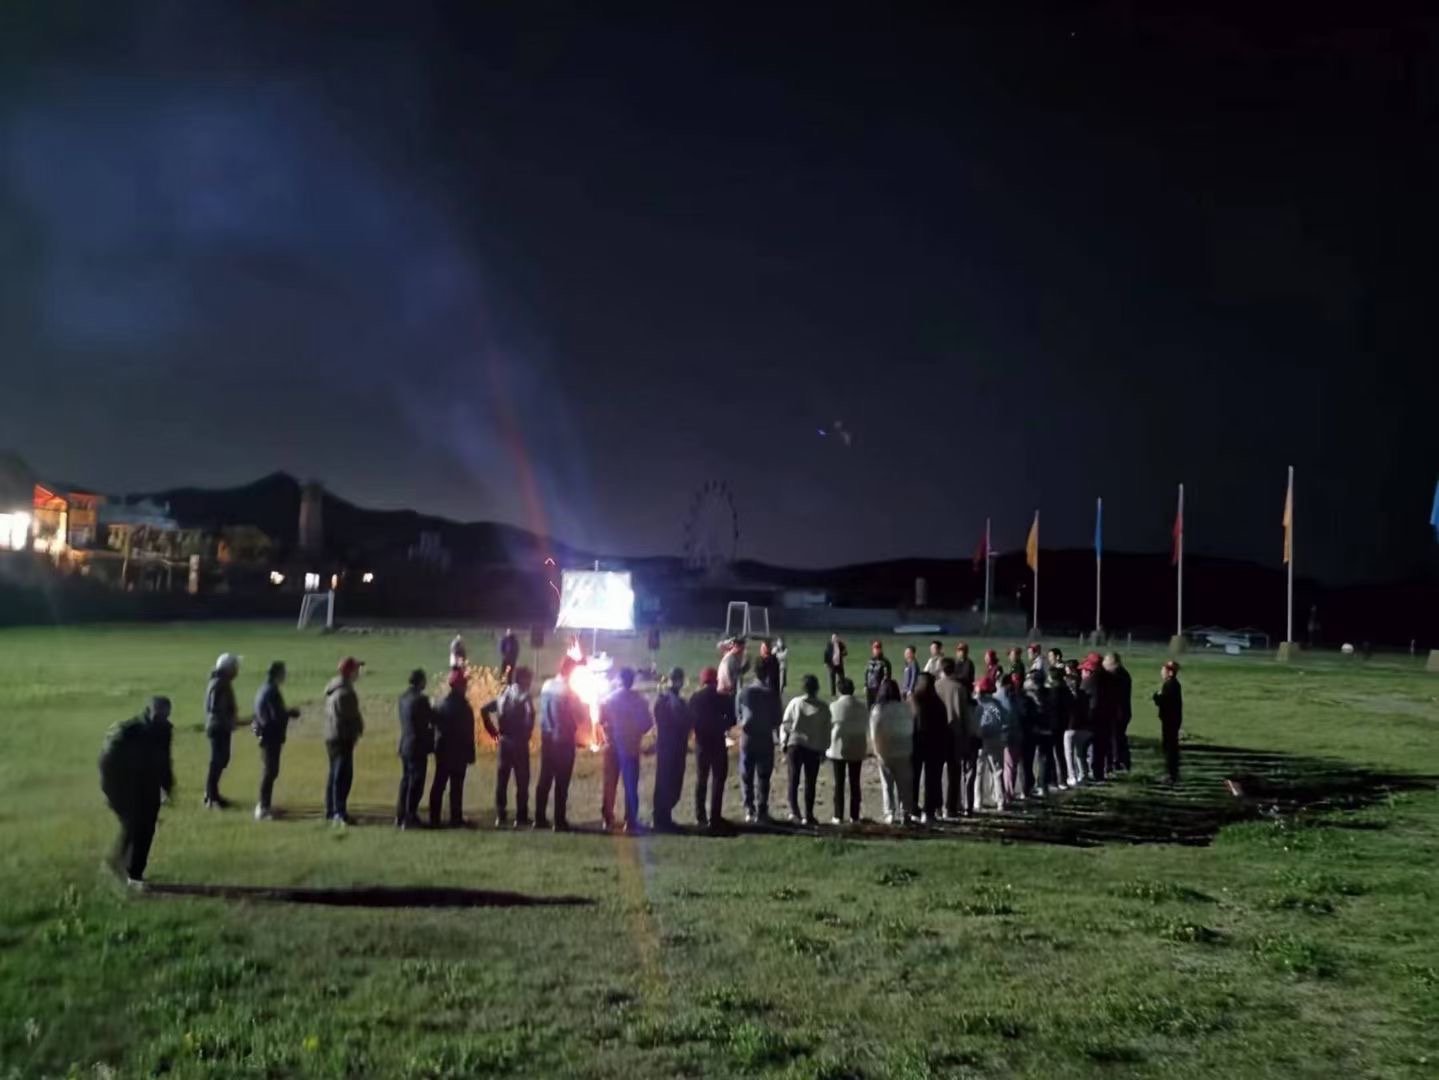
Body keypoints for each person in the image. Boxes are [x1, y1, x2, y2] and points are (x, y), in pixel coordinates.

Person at [99, 696, 175, 890]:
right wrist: (110, 791)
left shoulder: (165, 730)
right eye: (159, 713)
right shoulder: (127, 732)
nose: (162, 718)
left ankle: (129, 871)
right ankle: (127, 871)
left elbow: (165, 760)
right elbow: (107, 762)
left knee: (144, 829)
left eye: (166, 714)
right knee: (135, 825)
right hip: (124, 787)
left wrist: (167, 786)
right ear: (149, 711)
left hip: (148, 786)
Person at [600, 667, 653, 833]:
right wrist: (635, 732)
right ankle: (630, 821)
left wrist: (610, 732)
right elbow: (647, 724)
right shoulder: (640, 701)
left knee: (610, 784)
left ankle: (607, 819)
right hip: (630, 748)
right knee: (630, 785)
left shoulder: (609, 700)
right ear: (632, 681)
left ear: (619, 680)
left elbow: (601, 720)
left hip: (612, 747)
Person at [481, 666, 535, 827]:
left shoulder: (504, 696)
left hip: (504, 743)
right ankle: (521, 816)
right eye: (528, 679)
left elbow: (484, 710)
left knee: (502, 780)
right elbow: (530, 715)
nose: (530, 683)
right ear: (523, 680)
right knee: (522, 780)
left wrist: (493, 733)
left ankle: (501, 815)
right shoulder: (525, 697)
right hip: (519, 743)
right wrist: (527, 734)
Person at [536, 657, 583, 830]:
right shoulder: (568, 691)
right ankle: (559, 821)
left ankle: (539, 818)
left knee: (544, 778)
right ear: (571, 671)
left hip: (546, 737)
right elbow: (580, 716)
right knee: (562, 781)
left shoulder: (546, 685)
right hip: (563, 740)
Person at [252, 661, 300, 821]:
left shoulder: (264, 688)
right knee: (270, 771)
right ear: (277, 674)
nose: (285, 676)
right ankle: (263, 807)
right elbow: (276, 716)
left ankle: (265, 805)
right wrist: (291, 713)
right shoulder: (272, 691)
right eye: (283, 673)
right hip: (270, 736)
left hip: (266, 734)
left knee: (270, 771)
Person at [780, 674, 830, 825]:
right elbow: (826, 730)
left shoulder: (796, 703)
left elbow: (786, 723)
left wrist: (784, 743)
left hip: (795, 744)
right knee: (810, 782)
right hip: (814, 747)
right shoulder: (823, 707)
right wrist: (824, 749)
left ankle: (794, 811)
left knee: (793, 779)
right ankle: (809, 814)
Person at [690, 666, 735, 830]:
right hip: (718, 742)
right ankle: (715, 816)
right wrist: (722, 726)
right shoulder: (723, 697)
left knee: (701, 779)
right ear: (716, 680)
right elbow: (732, 719)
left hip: (702, 743)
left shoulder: (695, 697)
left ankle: (700, 815)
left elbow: (690, 719)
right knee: (718, 779)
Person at [430, 667, 474, 828]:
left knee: (439, 784)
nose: (466, 687)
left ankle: (434, 818)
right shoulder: (465, 707)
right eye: (464, 684)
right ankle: (456, 818)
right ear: (459, 686)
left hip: (442, 751)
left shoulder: (441, 704)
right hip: (459, 752)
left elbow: (433, 726)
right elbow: (468, 732)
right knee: (456, 787)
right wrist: (471, 754)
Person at [323, 657, 365, 826]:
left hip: (332, 736)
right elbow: (351, 717)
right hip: (342, 738)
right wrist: (358, 730)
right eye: (356, 669)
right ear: (350, 672)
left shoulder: (334, 688)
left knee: (334, 774)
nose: (359, 672)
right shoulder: (346, 692)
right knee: (342, 776)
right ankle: (339, 813)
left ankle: (331, 810)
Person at [737, 670, 782, 824]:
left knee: (746, 774)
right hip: (765, 738)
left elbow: (738, 713)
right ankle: (762, 809)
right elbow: (777, 720)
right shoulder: (771, 694)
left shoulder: (744, 692)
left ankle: (749, 809)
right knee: (764, 776)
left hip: (748, 737)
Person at [869, 678, 915, 825]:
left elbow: (874, 732)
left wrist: (876, 750)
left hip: (885, 751)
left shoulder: (877, 710)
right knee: (904, 784)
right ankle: (905, 811)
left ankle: (890, 812)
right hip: (903, 749)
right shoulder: (905, 708)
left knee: (887, 784)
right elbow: (911, 727)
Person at [652, 667, 692, 831]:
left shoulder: (679, 702)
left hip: (677, 747)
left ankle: (665, 816)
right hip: (668, 747)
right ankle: (661, 818)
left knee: (674, 783)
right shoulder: (664, 701)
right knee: (665, 782)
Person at [826, 677, 868, 824]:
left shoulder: (834, 706)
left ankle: (838, 815)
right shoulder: (862, 707)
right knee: (855, 783)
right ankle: (854, 815)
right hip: (857, 747)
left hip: (839, 748)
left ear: (839, 690)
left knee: (839, 783)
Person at [396, 669, 434, 828]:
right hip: (417, 746)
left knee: (406, 781)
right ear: (420, 681)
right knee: (416, 783)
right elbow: (431, 718)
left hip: (405, 744)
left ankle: (400, 815)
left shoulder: (402, 698)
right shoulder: (421, 700)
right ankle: (410, 816)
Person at [932, 657, 970, 818]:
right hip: (955, 734)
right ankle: (951, 807)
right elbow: (965, 716)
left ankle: (937, 806)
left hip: (938, 734)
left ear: (941, 669)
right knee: (954, 773)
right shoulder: (959, 688)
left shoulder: (935, 687)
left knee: (936, 772)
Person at [910, 672, 949, 822]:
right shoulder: (938, 704)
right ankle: (929, 811)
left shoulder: (913, 701)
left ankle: (913, 810)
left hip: (915, 744)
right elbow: (944, 728)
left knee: (913, 778)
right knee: (932, 779)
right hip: (934, 745)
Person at [203, 653, 240, 808]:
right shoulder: (219, 683)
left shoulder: (221, 681)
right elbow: (216, 707)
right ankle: (211, 797)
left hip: (220, 726)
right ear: (228, 668)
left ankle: (212, 794)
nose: (237, 670)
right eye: (235, 667)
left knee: (221, 760)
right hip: (218, 727)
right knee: (217, 761)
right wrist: (228, 719)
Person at [1023, 671, 1061, 796]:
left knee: (1029, 759)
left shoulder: (1029, 695)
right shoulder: (1049, 693)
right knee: (1044, 758)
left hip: (1033, 730)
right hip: (1047, 728)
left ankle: (1030, 785)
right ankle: (1043, 785)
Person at [974, 675, 1008, 811]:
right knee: (997, 771)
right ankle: (1000, 801)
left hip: (980, 740)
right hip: (995, 739)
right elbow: (1004, 720)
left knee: (979, 772)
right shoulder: (997, 704)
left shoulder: (977, 704)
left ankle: (978, 801)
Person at [994, 671, 1025, 802]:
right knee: (1011, 765)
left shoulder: (996, 697)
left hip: (1000, 735)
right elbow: (1022, 713)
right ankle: (1009, 792)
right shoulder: (1015, 697)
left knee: (998, 767)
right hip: (1015, 733)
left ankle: (999, 794)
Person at [1081, 653, 1112, 782]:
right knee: (1101, 747)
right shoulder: (1110, 678)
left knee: (1087, 747)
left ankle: (1089, 772)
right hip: (1107, 717)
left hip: (1092, 717)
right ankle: (1099, 773)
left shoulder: (1089, 681)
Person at [1062, 660, 1093, 786]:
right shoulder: (1084, 694)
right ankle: (1084, 774)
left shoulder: (1067, 696)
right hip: (1084, 728)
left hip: (1070, 728)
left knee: (1069, 754)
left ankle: (1072, 776)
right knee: (1081, 754)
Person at [1154, 660, 1184, 783]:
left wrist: (1156, 697)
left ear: (1170, 672)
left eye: (1164, 670)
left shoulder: (1170, 685)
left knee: (1170, 748)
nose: (1162, 672)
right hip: (1172, 720)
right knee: (1170, 747)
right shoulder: (1173, 684)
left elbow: (1164, 702)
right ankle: (1172, 773)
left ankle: (1171, 775)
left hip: (1170, 721)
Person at [1105, 652, 1134, 773]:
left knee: (1115, 737)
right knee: (1120, 737)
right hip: (1124, 711)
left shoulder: (1115, 675)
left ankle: (1117, 762)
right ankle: (1123, 761)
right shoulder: (1124, 674)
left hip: (1117, 712)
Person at [864, 641, 893, 708]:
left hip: (879, 688)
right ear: (872, 649)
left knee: (879, 707)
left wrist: (883, 688)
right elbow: (866, 673)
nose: (876, 650)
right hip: (870, 687)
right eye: (875, 648)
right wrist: (865, 685)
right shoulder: (870, 661)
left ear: (881, 649)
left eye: (878, 648)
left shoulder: (885, 662)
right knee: (869, 706)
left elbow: (887, 676)